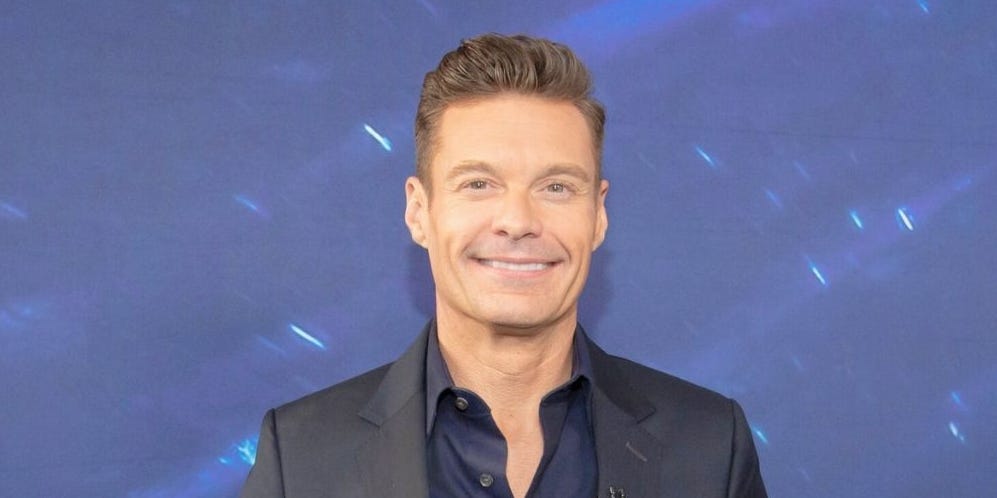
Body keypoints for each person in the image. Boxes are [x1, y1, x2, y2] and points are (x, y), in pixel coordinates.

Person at [240, 33, 767, 498]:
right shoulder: (302, 456)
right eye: (478, 184)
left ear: (599, 215)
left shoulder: (709, 446)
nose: (518, 221)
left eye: (556, 187)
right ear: (419, 211)